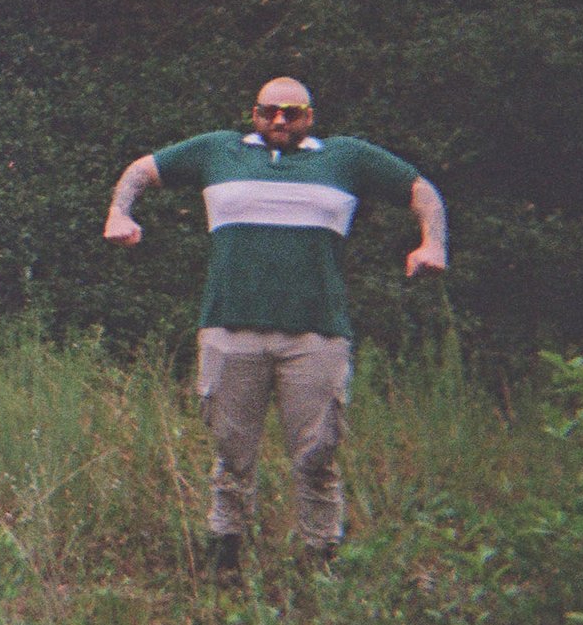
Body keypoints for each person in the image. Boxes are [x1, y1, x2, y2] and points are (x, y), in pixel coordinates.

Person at [103, 77, 447, 575]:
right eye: (268, 112)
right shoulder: (216, 151)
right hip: (229, 328)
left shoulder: (345, 157)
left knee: (317, 455)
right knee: (231, 454)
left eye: (291, 112)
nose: (279, 121)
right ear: (254, 113)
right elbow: (140, 171)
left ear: (310, 115)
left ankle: (320, 559)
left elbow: (422, 191)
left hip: (316, 332)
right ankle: (225, 559)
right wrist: (119, 212)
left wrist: (433, 243)